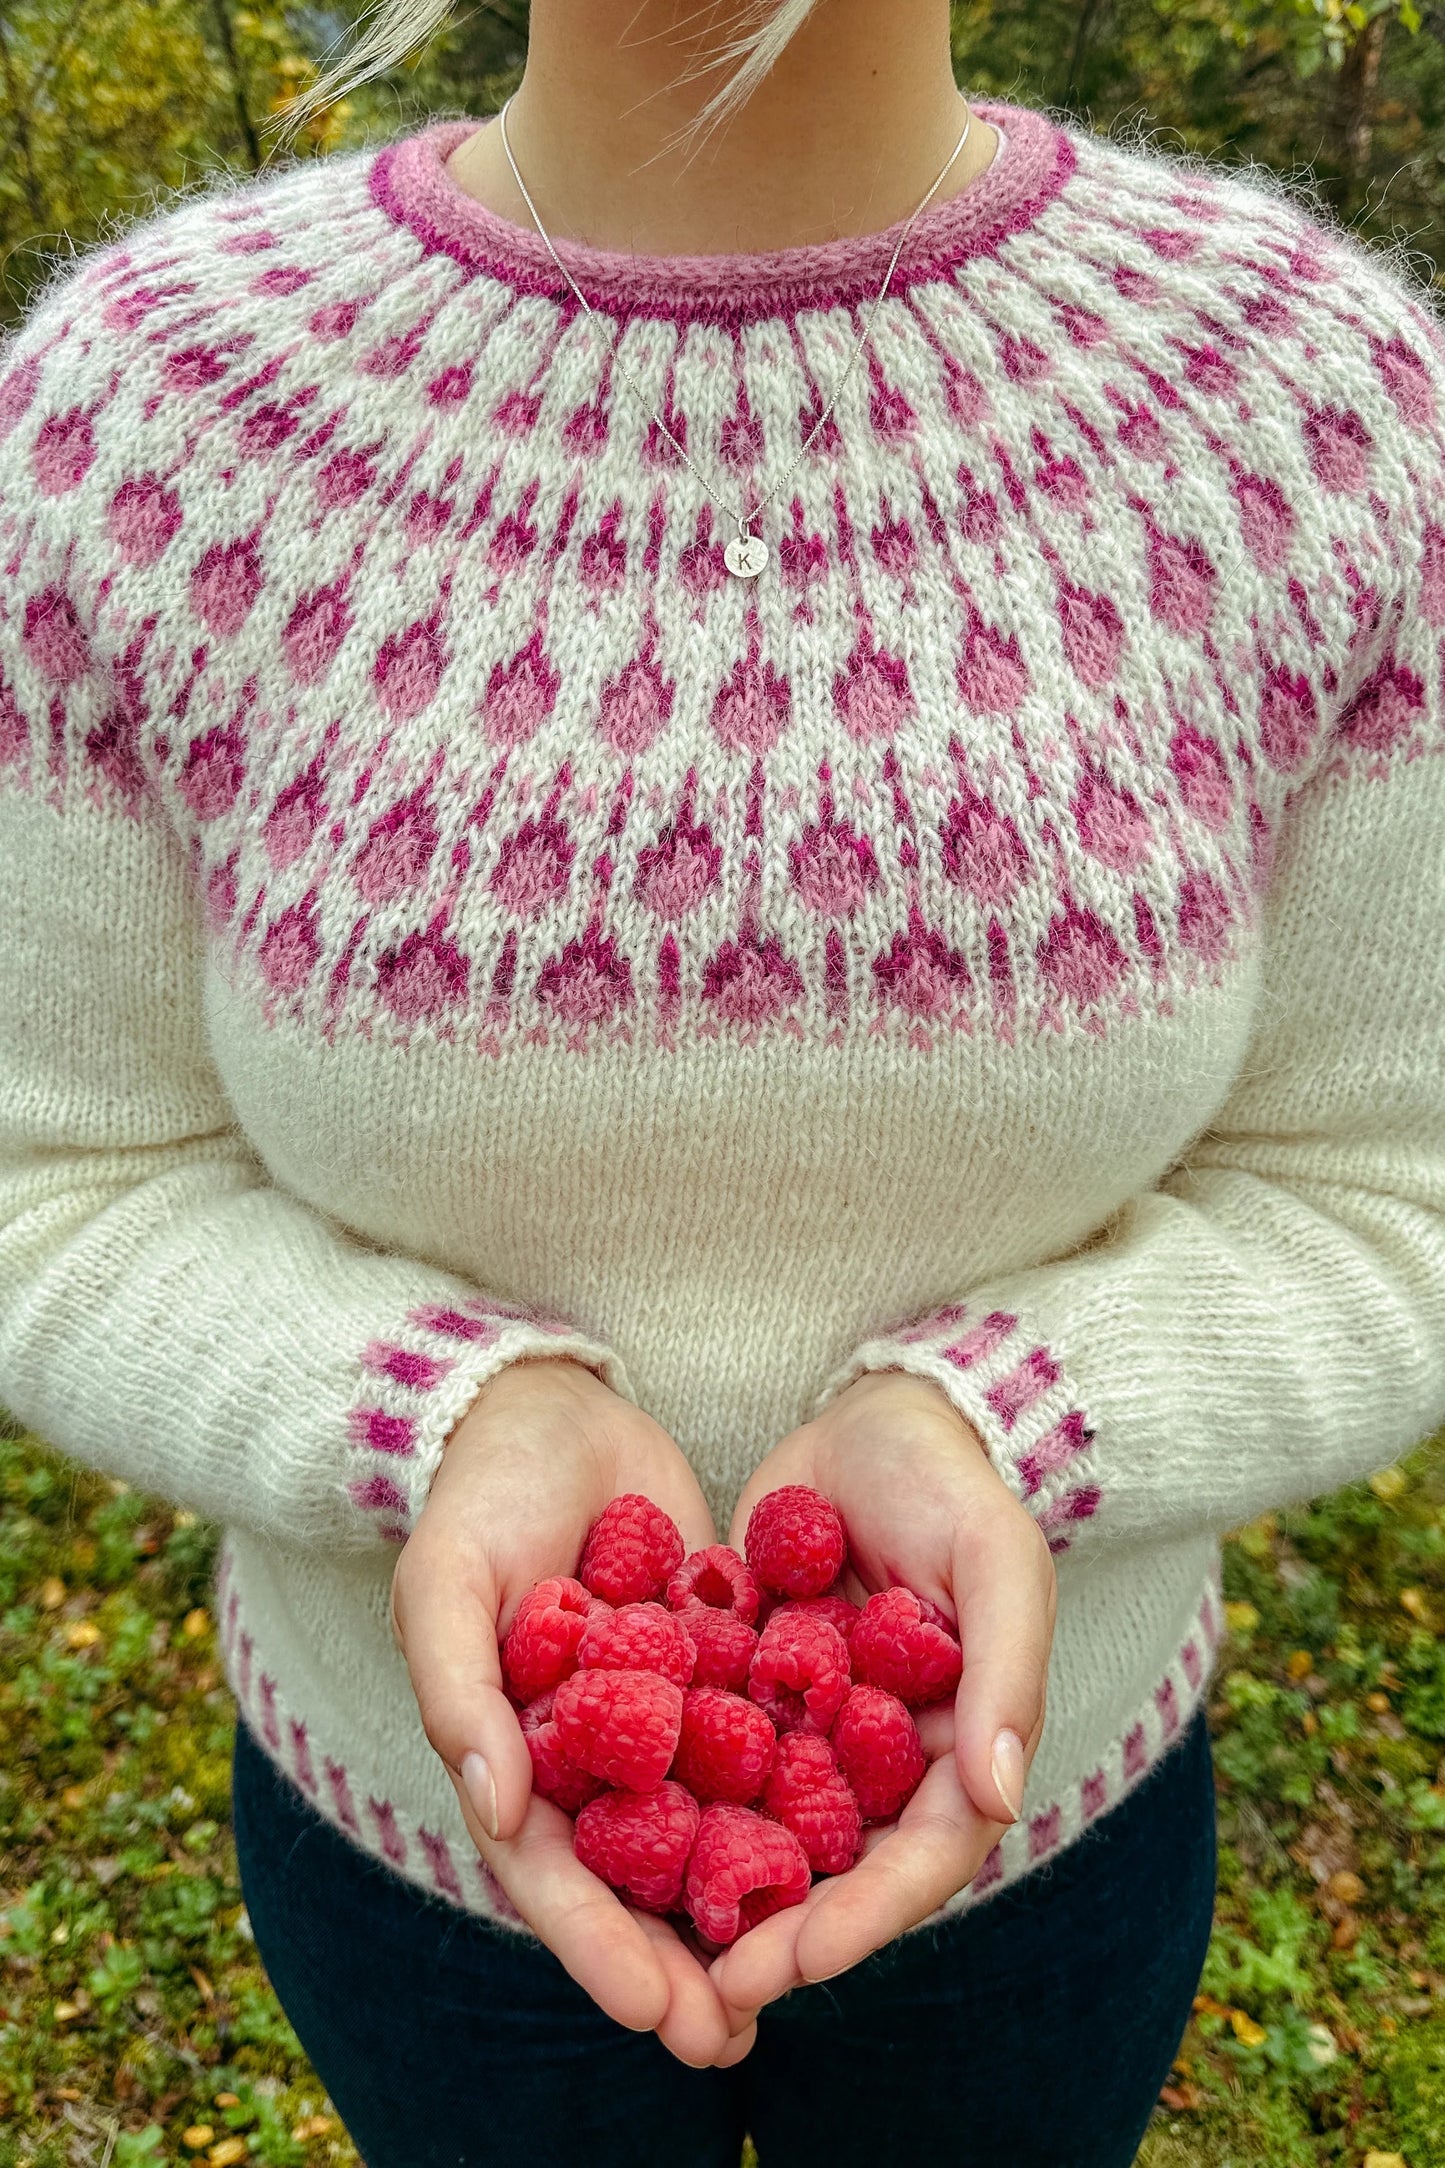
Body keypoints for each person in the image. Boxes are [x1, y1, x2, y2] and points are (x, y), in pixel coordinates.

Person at [2, 0, 1443, 2159]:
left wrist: (1006, 1412)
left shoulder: (1317, 417)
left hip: (1040, 1834)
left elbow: (1393, 1183)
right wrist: (441, 1409)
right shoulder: (139, 419)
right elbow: (51, 1176)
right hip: (419, 1857)